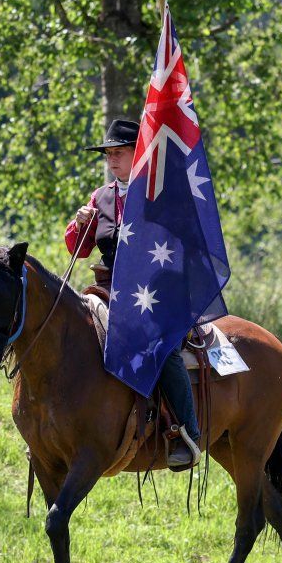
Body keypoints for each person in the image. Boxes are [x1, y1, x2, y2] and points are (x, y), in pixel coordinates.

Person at [65, 118, 201, 469]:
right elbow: (77, 249)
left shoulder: (158, 195)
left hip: (155, 291)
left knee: (164, 349)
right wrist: (80, 224)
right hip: (109, 287)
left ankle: (185, 431)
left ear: (137, 155)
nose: (112, 160)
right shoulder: (101, 197)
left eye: (119, 153)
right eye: (108, 154)